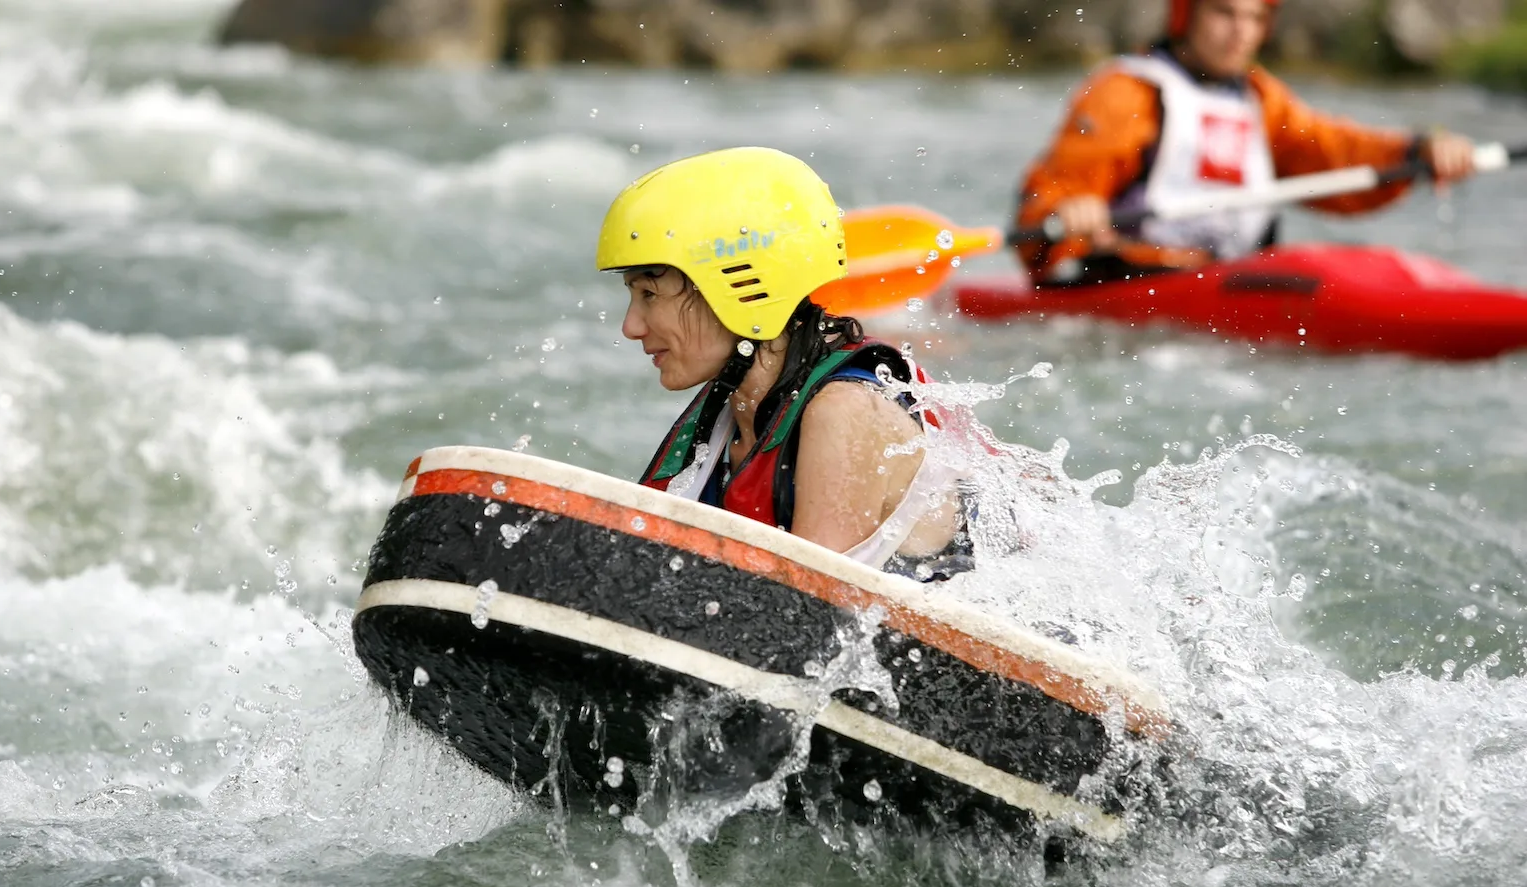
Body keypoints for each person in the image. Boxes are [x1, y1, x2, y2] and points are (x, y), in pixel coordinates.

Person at [595, 146, 964, 571]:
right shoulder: (730, 415)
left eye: (649, 295)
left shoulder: (845, 411)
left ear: (739, 292)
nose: (631, 326)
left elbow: (813, 616)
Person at [1014, 0, 1478, 285]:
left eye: (1255, 17)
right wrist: (1065, 213)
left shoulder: (1260, 99)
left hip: (1237, 279)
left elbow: (1334, 157)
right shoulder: (1125, 92)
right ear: (1185, 13)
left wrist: (1418, 152)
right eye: (1224, 12)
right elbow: (1048, 203)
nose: (1240, 32)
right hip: (1137, 281)